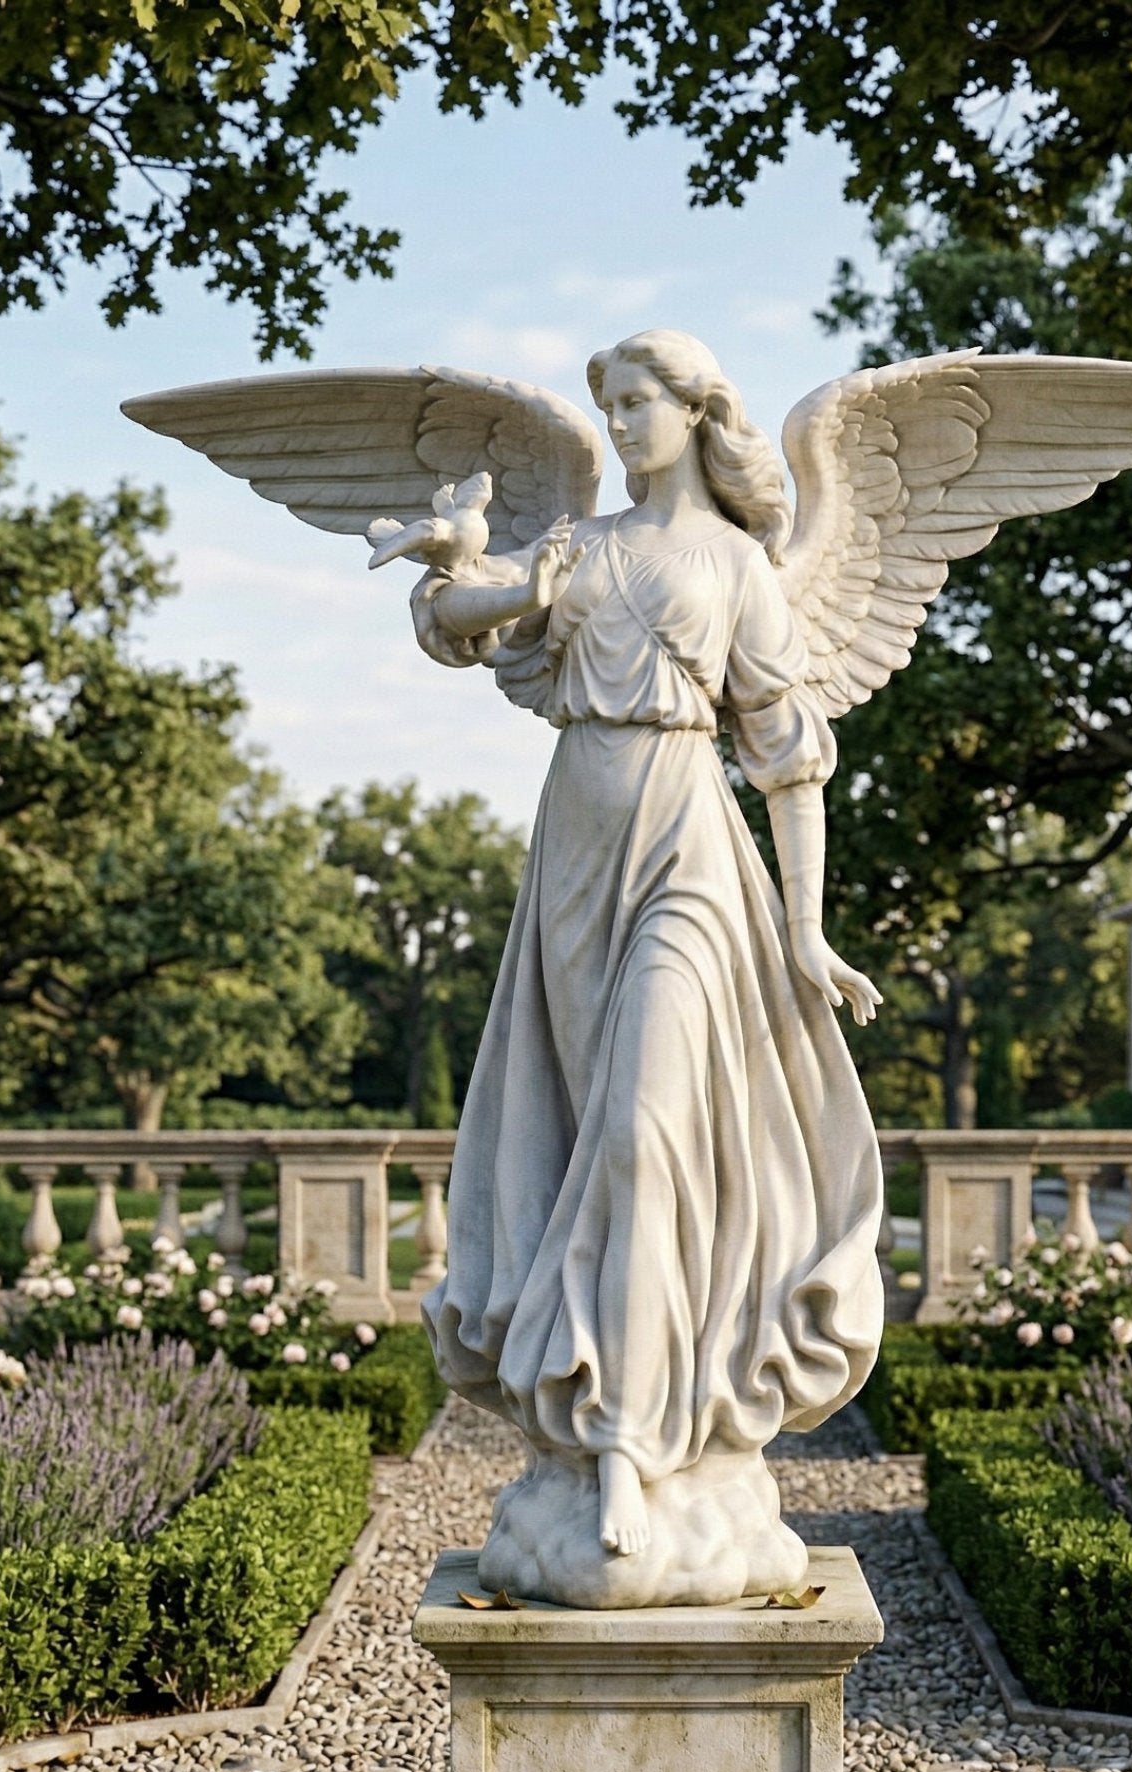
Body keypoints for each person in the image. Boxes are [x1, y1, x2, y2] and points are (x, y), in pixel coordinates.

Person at [414, 329, 886, 1605]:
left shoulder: (739, 562)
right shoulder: (585, 545)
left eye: (639, 403)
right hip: (575, 842)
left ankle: (630, 1448)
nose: (620, 425)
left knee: (641, 1131)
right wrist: (479, 574)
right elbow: (451, 622)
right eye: (607, 405)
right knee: (582, 1140)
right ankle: (605, 1427)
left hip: (689, 838)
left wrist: (803, 930)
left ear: (696, 409)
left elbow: (787, 757)